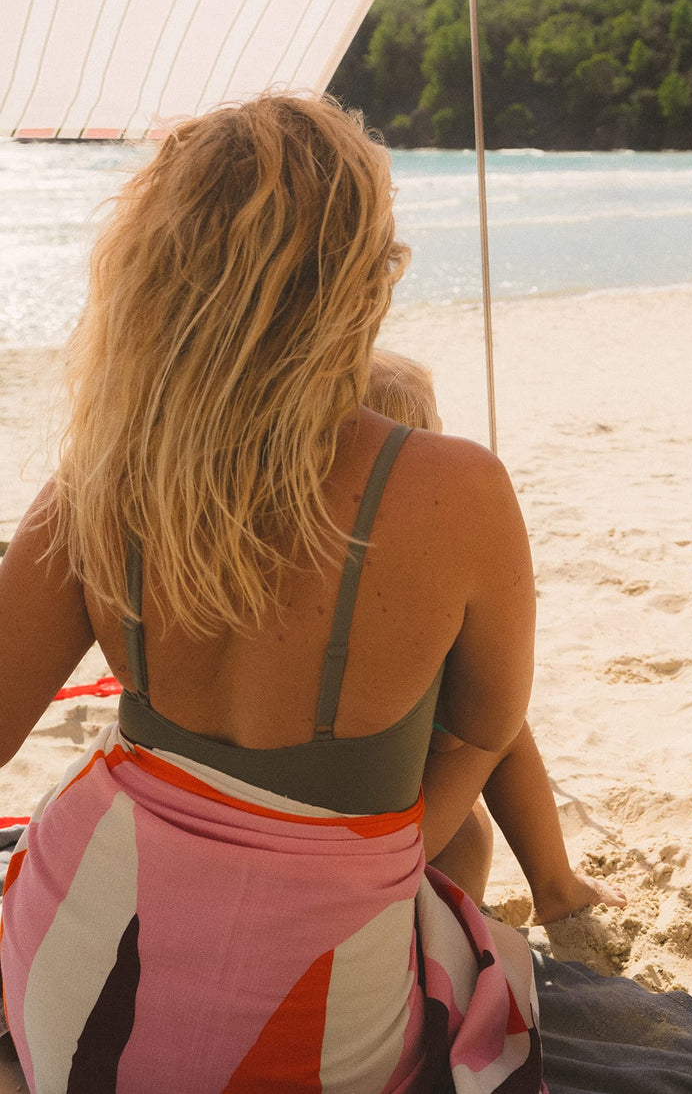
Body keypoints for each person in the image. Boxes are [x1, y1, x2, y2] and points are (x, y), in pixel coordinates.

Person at [0, 94, 543, 1092]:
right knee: (482, 970)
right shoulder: (457, 487)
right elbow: (483, 730)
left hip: (72, 976)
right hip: (314, 1026)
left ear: (159, 270)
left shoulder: (105, 471)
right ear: (358, 279)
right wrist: (364, 857)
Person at [366, 348, 625, 926]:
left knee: (468, 828)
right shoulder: (421, 573)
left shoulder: (329, 559)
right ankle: (557, 887)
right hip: (374, 841)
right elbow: (460, 736)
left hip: (303, 817)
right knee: (503, 732)